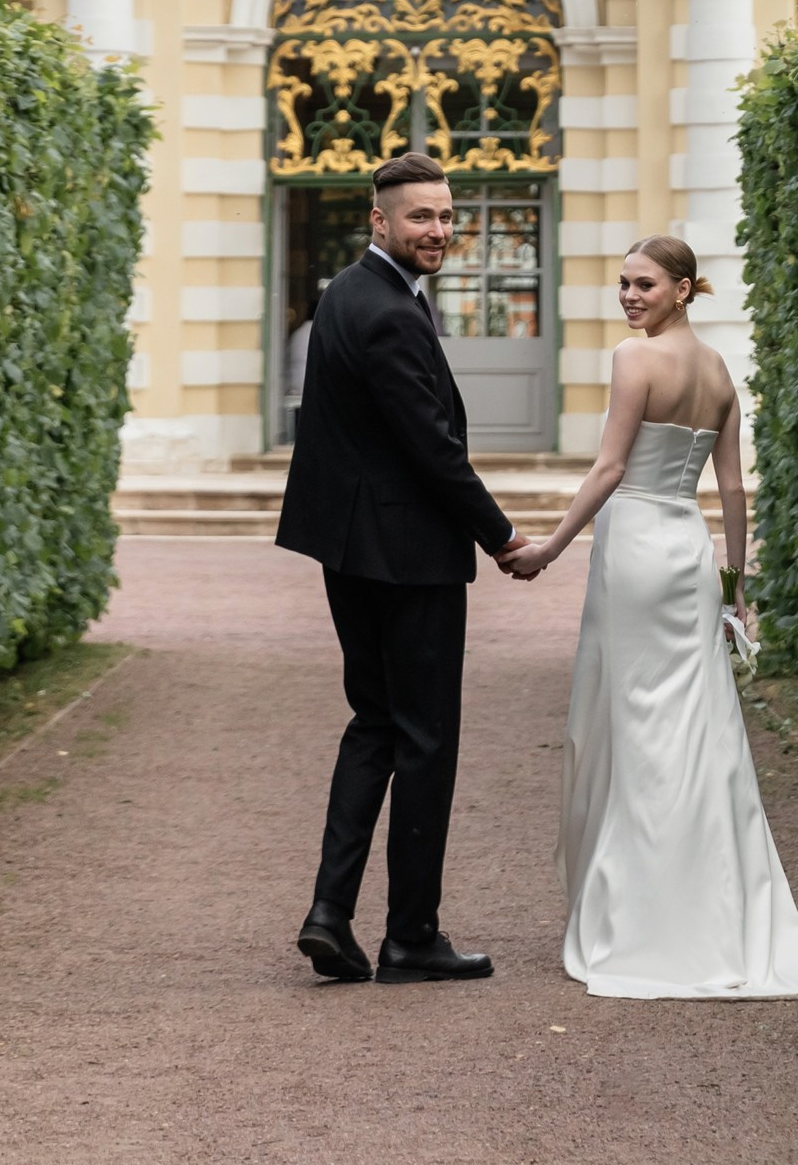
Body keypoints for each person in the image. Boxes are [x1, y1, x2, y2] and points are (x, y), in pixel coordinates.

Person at [504, 236, 798, 1001]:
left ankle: (639, 913)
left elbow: (612, 468)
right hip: (687, 550)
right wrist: (734, 589)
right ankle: (710, 905)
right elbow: (733, 494)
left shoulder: (632, 359)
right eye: (622, 284)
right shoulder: (718, 373)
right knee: (697, 729)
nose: (628, 296)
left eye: (643, 284)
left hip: (637, 550)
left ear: (683, 288)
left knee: (635, 728)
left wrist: (548, 547)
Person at [276, 156, 530, 985]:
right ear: (378, 221)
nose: (439, 232)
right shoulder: (385, 310)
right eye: (421, 217)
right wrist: (499, 536)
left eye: (447, 217)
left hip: (350, 551)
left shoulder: (346, 295)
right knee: (425, 739)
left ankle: (328, 914)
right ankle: (411, 937)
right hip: (405, 555)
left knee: (375, 723)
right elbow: (432, 447)